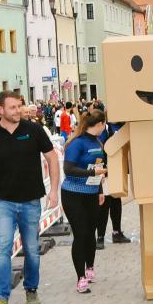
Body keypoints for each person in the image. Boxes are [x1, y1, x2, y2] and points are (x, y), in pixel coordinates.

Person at [0, 91, 59, 304]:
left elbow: (51, 157)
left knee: (31, 249)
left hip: (31, 200)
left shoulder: (33, 130)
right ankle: (1, 298)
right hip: (3, 202)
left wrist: (54, 191)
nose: (18, 111)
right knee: (2, 248)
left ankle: (31, 288)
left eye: (19, 106)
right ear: (0, 110)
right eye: (12, 107)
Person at [60, 109, 108, 294]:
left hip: (92, 193)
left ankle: (90, 267)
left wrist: (100, 190)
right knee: (80, 234)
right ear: (100, 124)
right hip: (73, 193)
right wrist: (91, 173)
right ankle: (80, 277)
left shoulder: (98, 142)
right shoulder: (77, 143)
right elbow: (69, 169)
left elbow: (99, 167)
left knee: (90, 232)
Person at [95, 120, 130, 248]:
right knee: (104, 204)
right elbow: (97, 150)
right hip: (105, 171)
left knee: (116, 202)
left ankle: (117, 232)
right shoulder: (104, 129)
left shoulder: (123, 126)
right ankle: (100, 236)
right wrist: (100, 169)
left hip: (116, 171)